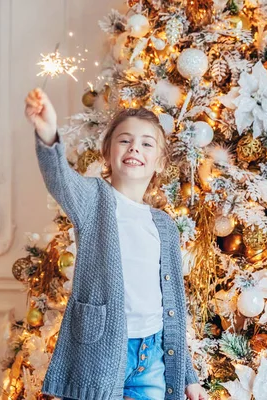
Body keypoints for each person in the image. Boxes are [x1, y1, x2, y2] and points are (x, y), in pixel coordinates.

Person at [25, 88, 208, 400]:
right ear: (108, 152)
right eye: (125, 140)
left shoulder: (163, 225)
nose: (134, 147)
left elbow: (172, 308)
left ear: (159, 163)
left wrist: (188, 376)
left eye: (146, 144)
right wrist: (48, 134)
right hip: (101, 353)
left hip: (152, 358)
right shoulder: (93, 200)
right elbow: (60, 179)